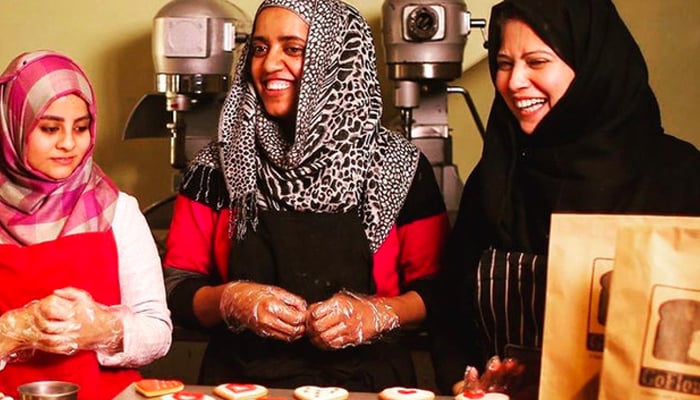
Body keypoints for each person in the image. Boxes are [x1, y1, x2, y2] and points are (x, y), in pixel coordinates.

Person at [163, 0, 449, 392]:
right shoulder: (217, 165)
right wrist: (229, 300)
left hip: (368, 385)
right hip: (240, 385)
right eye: (260, 48)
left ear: (337, 61)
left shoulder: (397, 166)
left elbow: (440, 292)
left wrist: (378, 313)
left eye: (293, 49)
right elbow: (176, 285)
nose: (268, 65)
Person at [431, 0, 700, 398]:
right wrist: (466, 383)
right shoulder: (495, 178)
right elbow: (450, 315)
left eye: (536, 62)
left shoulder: (678, 177)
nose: (514, 81)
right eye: (504, 64)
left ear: (592, 66)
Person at [0, 50, 172, 399]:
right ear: (11, 126)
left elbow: (158, 333)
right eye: (49, 128)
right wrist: (14, 330)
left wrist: (104, 328)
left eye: (81, 128)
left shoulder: (118, 211)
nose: (68, 143)